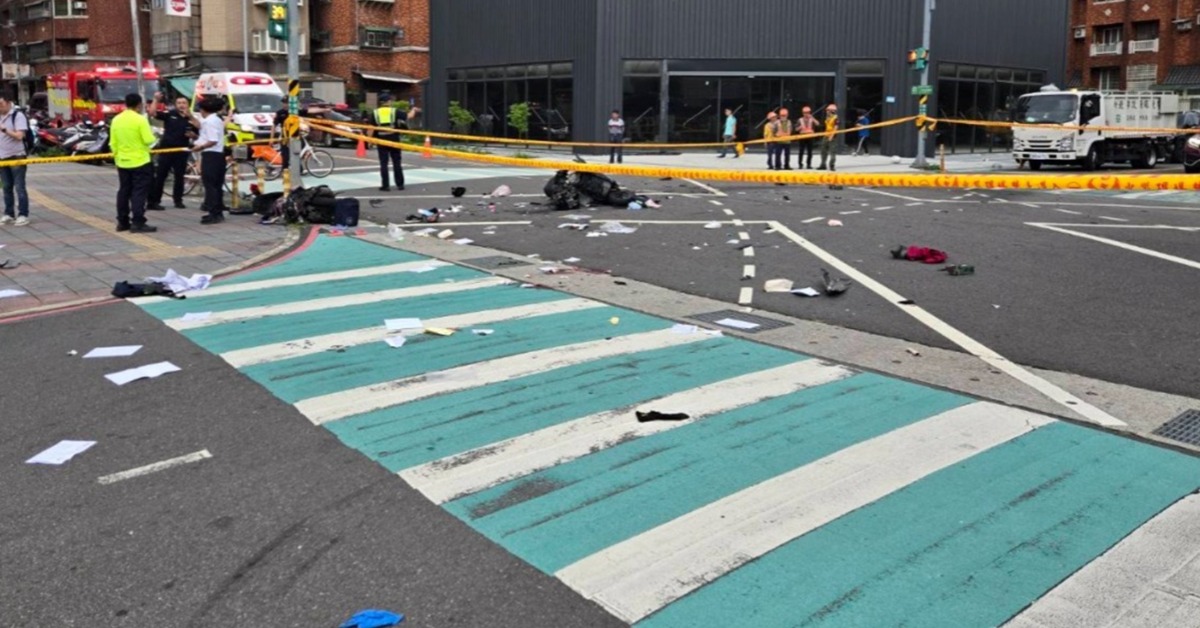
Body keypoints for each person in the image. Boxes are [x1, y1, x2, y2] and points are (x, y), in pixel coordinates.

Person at [109, 93, 159, 233]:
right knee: (139, 192)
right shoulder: (140, 120)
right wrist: (155, 138)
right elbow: (149, 140)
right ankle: (138, 222)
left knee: (124, 191)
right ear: (139, 105)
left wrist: (118, 156)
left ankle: (122, 222)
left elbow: (113, 142)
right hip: (140, 161)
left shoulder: (116, 120)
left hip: (122, 162)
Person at [148, 94, 199, 210]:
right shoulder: (170, 114)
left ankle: (178, 200)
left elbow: (198, 129)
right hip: (166, 150)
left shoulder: (191, 118)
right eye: (179, 103)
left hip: (181, 151)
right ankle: (155, 201)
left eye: (184, 103)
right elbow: (152, 113)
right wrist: (155, 100)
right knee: (161, 176)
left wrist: (192, 132)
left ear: (188, 105)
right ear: (175, 105)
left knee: (179, 177)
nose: (181, 105)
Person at [191, 96, 227, 225]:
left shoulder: (209, 122)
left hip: (211, 155)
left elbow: (212, 140)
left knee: (210, 185)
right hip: (219, 155)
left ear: (203, 110)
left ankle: (214, 212)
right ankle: (217, 211)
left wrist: (199, 147)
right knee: (217, 185)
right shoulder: (216, 119)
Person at [370, 93, 417, 191]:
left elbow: (370, 128)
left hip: (381, 139)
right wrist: (413, 110)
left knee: (383, 163)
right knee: (396, 162)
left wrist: (370, 140)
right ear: (388, 102)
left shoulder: (375, 113)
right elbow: (409, 116)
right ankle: (400, 184)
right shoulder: (394, 111)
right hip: (394, 138)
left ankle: (385, 185)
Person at [273, 96, 328, 170]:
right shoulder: (280, 113)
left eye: (287, 103)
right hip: (285, 136)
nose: (285, 104)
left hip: (295, 135)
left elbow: (310, 110)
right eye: (284, 103)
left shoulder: (295, 112)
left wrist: (325, 110)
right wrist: (272, 137)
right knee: (286, 156)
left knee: (298, 150)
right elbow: (274, 125)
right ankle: (285, 170)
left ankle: (299, 168)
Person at [0, 96, 30, 226]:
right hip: (2, 157)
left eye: (1, 104)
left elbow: (19, 136)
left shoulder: (17, 116)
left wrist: (4, 130)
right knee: (6, 186)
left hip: (17, 156)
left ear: (8, 103)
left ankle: (23, 214)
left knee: (19, 186)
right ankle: (9, 213)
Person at [818, 103, 841, 171]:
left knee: (832, 151)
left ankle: (832, 165)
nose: (826, 111)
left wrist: (831, 136)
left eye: (828, 110)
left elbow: (836, 128)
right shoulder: (828, 117)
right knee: (823, 150)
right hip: (826, 135)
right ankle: (823, 165)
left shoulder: (836, 118)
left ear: (831, 111)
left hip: (832, 137)